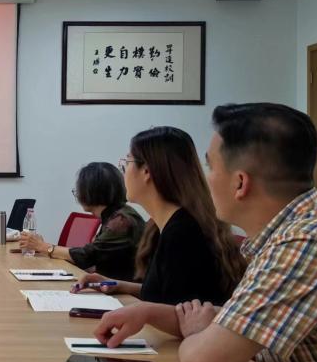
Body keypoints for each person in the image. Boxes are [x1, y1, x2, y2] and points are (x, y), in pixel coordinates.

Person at [93, 104, 317, 362]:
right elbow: (240, 320)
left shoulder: (305, 243)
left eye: (211, 167)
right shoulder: (316, 223)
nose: (205, 179)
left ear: (240, 183)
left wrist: (199, 334)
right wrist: (148, 312)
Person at [73, 127, 245, 305]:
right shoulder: (164, 225)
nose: (123, 172)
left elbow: (177, 310)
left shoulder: (183, 234)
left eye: (127, 163)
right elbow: (164, 294)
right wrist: (117, 284)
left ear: (147, 171)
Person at [20, 162, 145, 281]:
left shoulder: (120, 222)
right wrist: (43, 247)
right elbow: (97, 260)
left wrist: (43, 247)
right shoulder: (116, 215)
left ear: (91, 192)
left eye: (79, 190)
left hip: (122, 292)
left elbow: (87, 256)